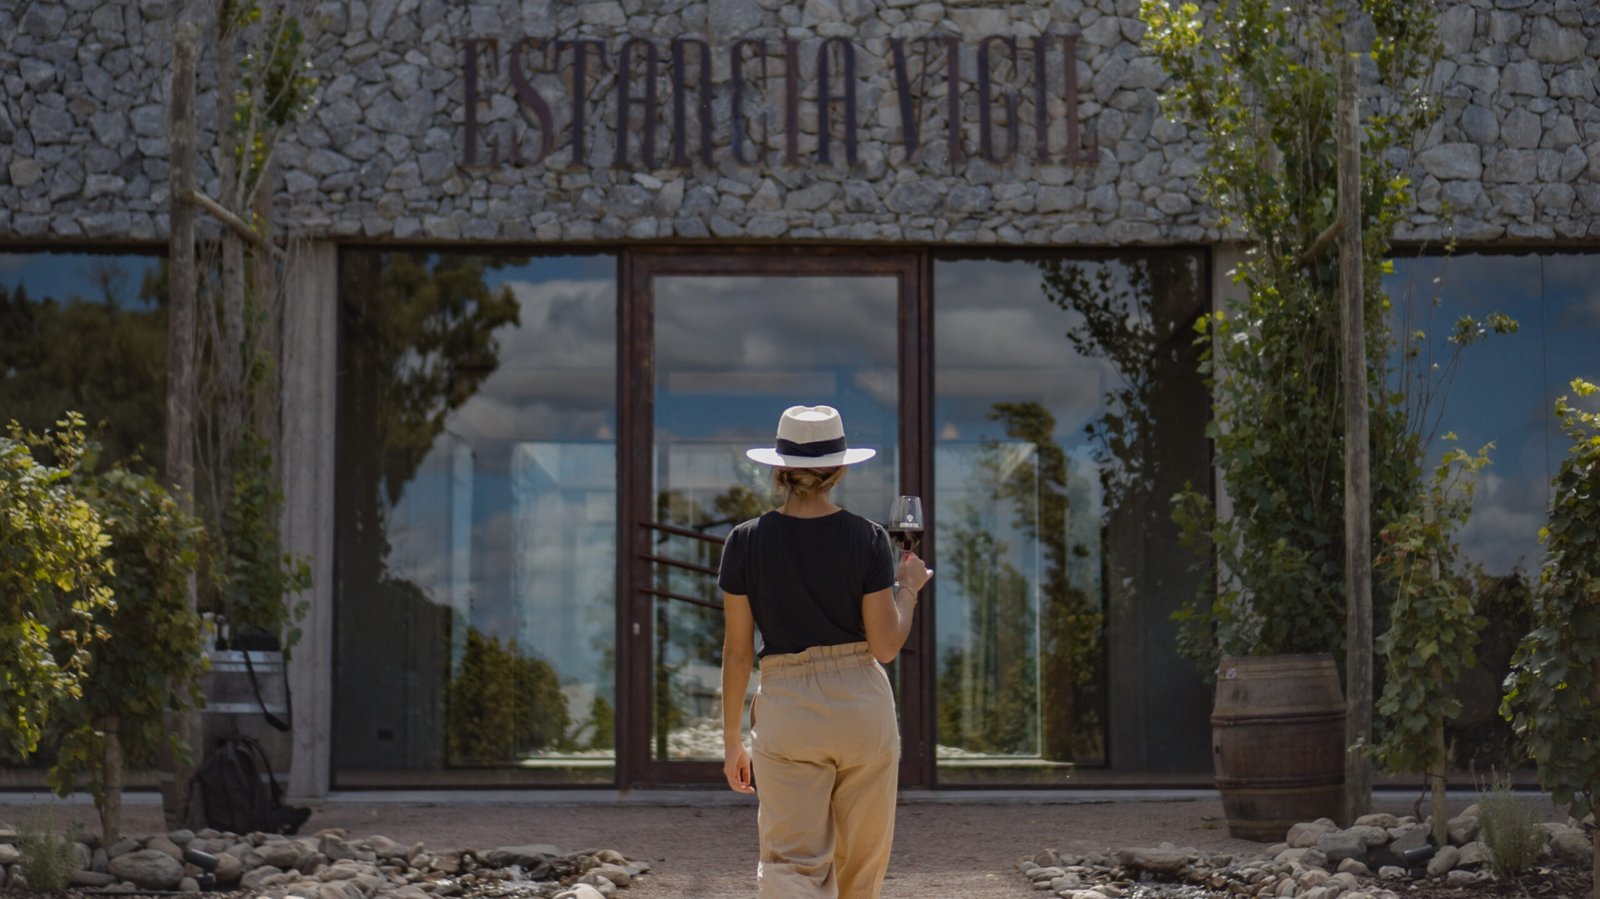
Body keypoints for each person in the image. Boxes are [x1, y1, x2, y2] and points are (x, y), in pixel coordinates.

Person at [717, 404, 934, 899]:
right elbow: (885, 646)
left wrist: (732, 742)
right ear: (838, 470)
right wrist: (908, 588)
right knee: (859, 867)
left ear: (780, 471)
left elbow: (737, 652)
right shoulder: (868, 538)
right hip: (861, 705)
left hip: (788, 707)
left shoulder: (744, 542)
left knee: (791, 864)